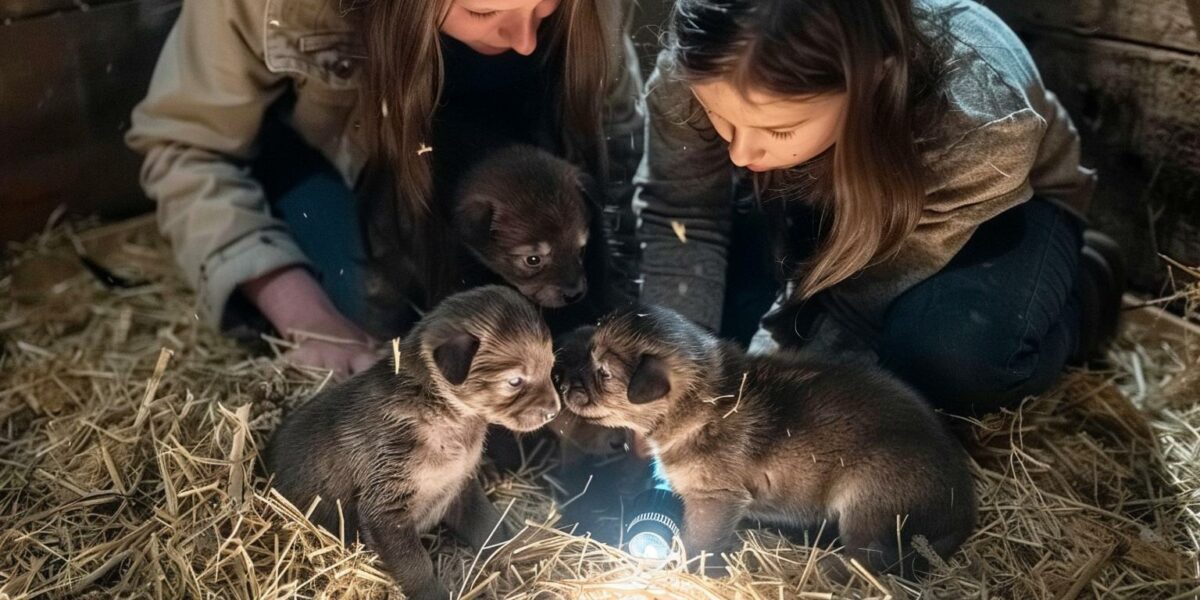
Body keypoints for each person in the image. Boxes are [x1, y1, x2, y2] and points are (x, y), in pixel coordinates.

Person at [635, 0, 1124, 416]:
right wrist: (675, 365)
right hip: (816, 199)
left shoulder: (981, 115)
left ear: (871, 80)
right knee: (729, 322)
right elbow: (683, 215)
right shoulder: (703, 61)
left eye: (779, 129)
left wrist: (771, 390)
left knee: (949, 359)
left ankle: (1083, 290)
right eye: (719, 117)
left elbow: (862, 295)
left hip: (985, 213)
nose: (741, 154)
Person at [127, 0, 643, 377]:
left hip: (519, 175)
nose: (525, 38)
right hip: (355, 171)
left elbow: (621, 149)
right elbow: (184, 148)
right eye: (484, 12)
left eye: (545, 6)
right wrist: (307, 318)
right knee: (382, 329)